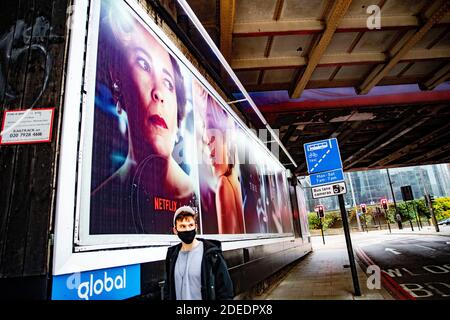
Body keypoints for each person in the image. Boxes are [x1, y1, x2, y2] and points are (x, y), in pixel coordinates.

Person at [90, 2, 196, 234]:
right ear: (119, 81)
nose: (159, 92)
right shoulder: (98, 205)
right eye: (143, 64)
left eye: (169, 83)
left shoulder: (199, 199)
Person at [197, 89, 245, 234]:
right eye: (205, 127)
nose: (207, 139)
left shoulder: (224, 185)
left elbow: (228, 246)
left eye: (211, 127)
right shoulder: (234, 183)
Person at [164, 206, 234, 300]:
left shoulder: (212, 254)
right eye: (182, 226)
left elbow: (225, 292)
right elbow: (168, 288)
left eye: (190, 225)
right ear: (175, 230)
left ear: (196, 227)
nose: (187, 229)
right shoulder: (171, 255)